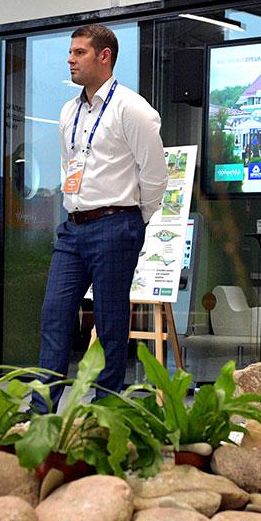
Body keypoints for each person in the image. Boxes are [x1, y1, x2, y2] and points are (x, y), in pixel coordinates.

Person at [36, 23, 166, 402]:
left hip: (116, 224)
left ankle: (104, 410)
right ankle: (41, 411)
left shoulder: (132, 108)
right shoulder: (68, 111)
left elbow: (155, 176)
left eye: (79, 52)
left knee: (110, 322)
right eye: (70, 52)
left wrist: (134, 220)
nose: (70, 60)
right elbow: (69, 165)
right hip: (73, 228)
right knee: (55, 314)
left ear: (104, 56)